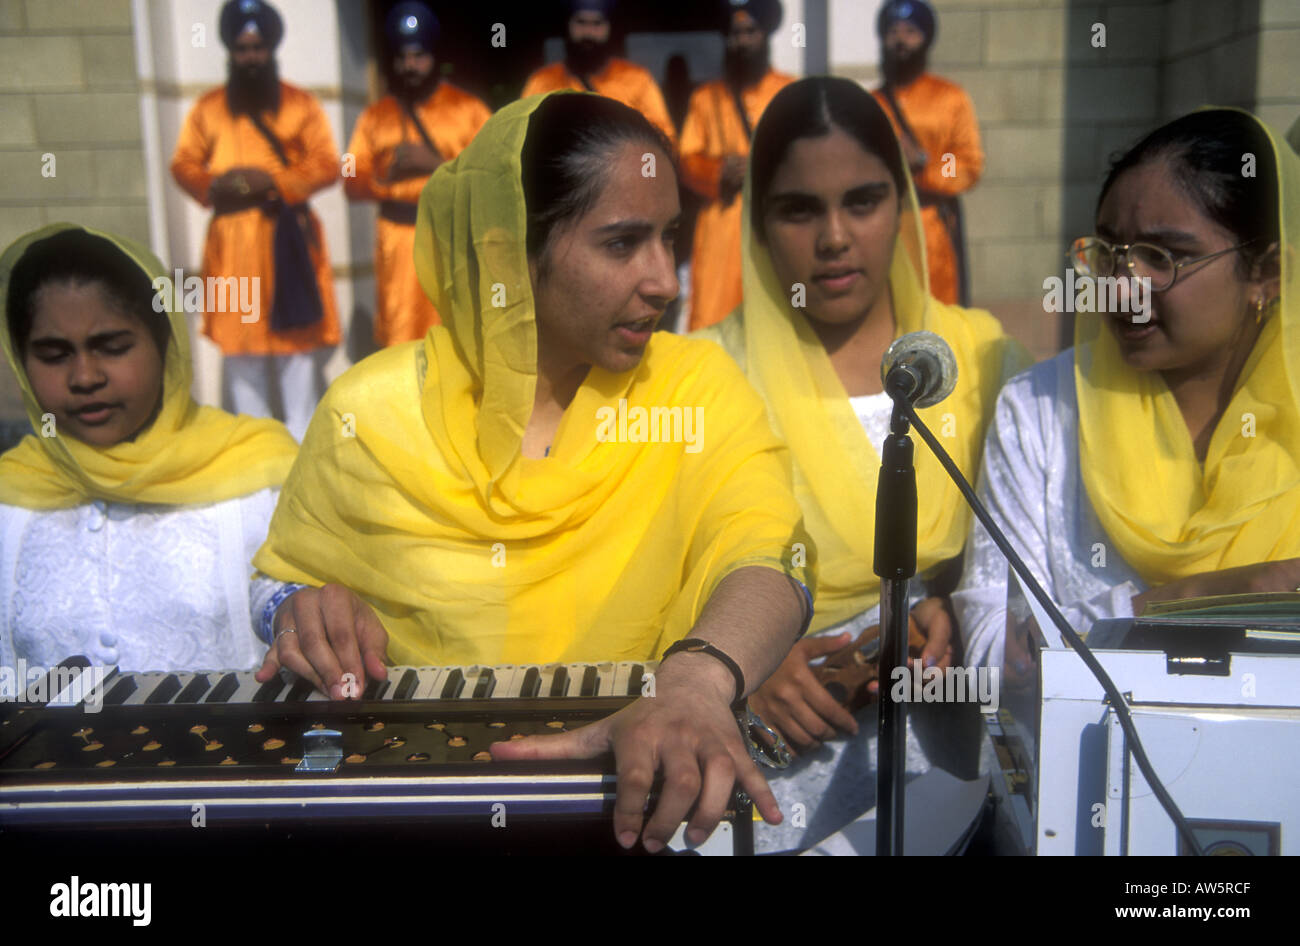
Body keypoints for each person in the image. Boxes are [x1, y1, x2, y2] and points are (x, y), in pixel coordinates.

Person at [249, 92, 816, 851]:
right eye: (622, 244)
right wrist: (300, 610)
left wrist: (698, 678)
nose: (665, 281)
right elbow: (282, 580)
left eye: (669, 238)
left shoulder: (693, 390)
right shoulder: (372, 411)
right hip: (413, 810)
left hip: (635, 814)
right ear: (509, 249)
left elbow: (769, 556)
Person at [695, 77, 1027, 851]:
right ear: (758, 223)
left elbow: (1024, 563)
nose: (835, 237)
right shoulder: (705, 377)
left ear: (905, 205)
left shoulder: (983, 360)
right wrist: (738, 659)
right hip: (762, 774)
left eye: (864, 200)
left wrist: (959, 609)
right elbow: (650, 578)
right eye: (799, 209)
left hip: (953, 770)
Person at [952, 109, 1299, 670]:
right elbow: (994, 654)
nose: (1123, 286)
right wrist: (1195, 599)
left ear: (1265, 273)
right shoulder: (1042, 407)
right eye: (1110, 252)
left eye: (1164, 257)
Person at [0, 224, 298, 674]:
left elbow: (304, 604)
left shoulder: (258, 470)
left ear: (166, 344)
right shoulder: (10, 494)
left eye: (113, 348)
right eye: (54, 355)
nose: (85, 378)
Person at [171, 0, 341, 441]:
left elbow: (327, 163)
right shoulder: (208, 109)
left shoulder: (300, 104)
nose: (251, 57)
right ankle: (256, 454)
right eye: (243, 48)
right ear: (231, 51)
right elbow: (183, 164)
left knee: (295, 354)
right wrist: (217, 186)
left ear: (271, 49)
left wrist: (271, 182)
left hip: (287, 241)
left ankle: (301, 451)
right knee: (241, 353)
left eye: (258, 47)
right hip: (232, 249)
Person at [345, 2, 492, 345]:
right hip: (397, 244)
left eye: (418, 56)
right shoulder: (374, 117)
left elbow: (496, 176)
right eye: (402, 57)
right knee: (402, 340)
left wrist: (437, 165)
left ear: (434, 56)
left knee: (457, 334)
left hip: (451, 237)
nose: (410, 65)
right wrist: (384, 179)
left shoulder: (469, 110)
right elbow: (349, 174)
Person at [679, 0, 793, 330]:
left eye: (749, 32)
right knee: (714, 320)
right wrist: (718, 172)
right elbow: (686, 159)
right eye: (734, 33)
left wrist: (764, 166)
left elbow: (810, 157)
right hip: (721, 223)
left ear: (765, 34)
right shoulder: (705, 98)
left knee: (780, 320)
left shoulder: (789, 91)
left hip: (776, 222)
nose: (741, 41)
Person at [872, 0, 982, 306]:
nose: (900, 40)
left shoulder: (950, 98)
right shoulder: (870, 103)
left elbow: (965, 164)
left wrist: (923, 163)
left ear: (925, 39)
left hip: (932, 232)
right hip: (881, 230)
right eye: (892, 31)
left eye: (910, 31)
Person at [521, 0, 677, 148]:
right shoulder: (541, 81)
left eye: (597, 23)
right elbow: (519, 139)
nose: (588, 32)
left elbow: (665, 140)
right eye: (581, 22)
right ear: (567, 25)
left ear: (610, 27)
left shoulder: (638, 79)